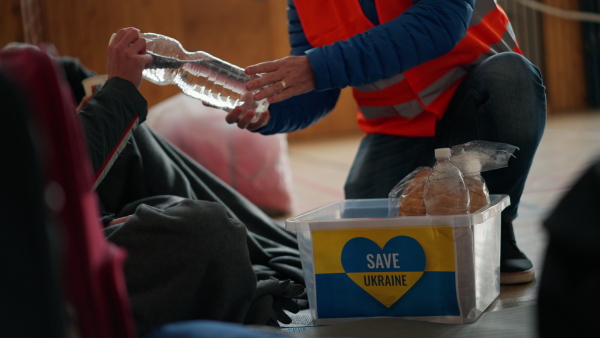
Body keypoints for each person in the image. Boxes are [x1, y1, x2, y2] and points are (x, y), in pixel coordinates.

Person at [5, 28, 307, 336]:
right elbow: (52, 179)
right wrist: (119, 90)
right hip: (40, 259)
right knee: (207, 231)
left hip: (73, 224)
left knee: (75, 82)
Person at [226, 0, 547, 285]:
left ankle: (496, 229)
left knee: (511, 79)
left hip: (477, 104)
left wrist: (317, 66)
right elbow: (314, 87)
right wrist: (271, 113)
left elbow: (439, 20)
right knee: (367, 242)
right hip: (400, 129)